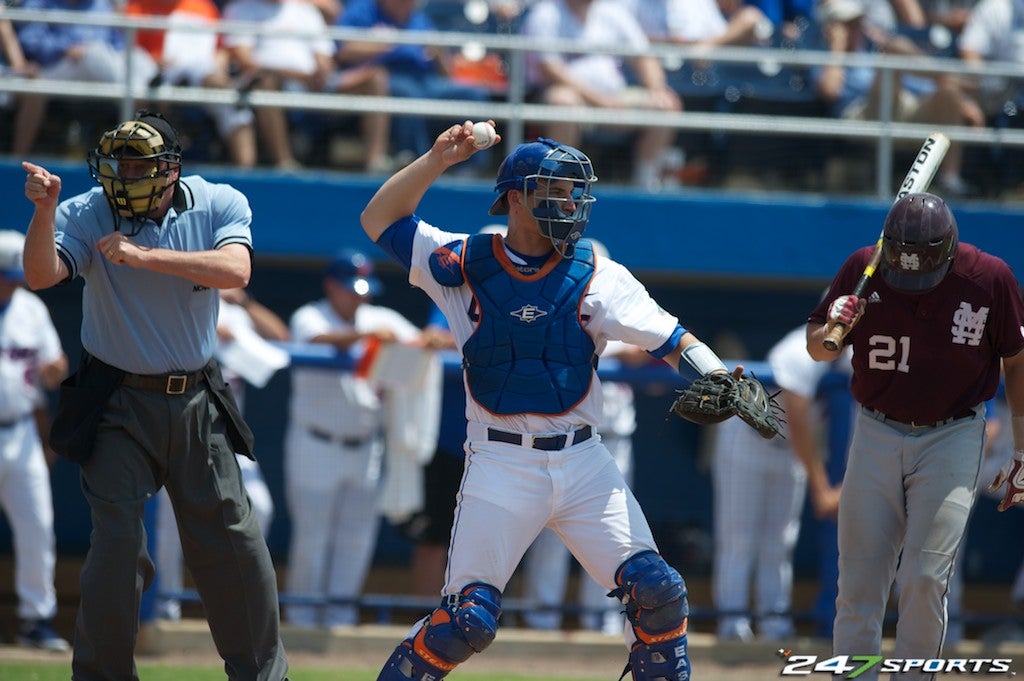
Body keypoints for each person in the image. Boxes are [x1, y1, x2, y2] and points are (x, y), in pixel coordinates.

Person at [360, 121, 762, 681]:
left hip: (583, 460)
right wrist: (435, 161)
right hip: (500, 462)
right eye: (555, 190)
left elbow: (673, 338)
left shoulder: (598, 272)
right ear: (516, 199)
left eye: (576, 191)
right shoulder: (464, 261)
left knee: (660, 593)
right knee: (466, 622)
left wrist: (719, 376)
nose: (570, 203)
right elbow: (378, 220)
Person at [20, 110, 290, 681]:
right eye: (120, 163)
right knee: (117, 549)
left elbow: (235, 270)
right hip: (115, 397)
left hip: (196, 398)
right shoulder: (87, 209)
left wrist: (147, 258)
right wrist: (43, 213)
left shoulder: (220, 202)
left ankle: (263, 675)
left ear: (171, 171)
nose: (126, 175)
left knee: (236, 543)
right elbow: (42, 275)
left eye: (141, 164)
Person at [806, 191, 1024, 678]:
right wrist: (835, 323)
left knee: (925, 578)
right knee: (859, 583)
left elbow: (1016, 360)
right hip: (876, 428)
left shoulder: (990, 278)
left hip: (953, 432)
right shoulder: (865, 266)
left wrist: (1023, 447)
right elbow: (818, 349)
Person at [283, 249, 423, 628]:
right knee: (313, 539)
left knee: (357, 538)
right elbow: (317, 338)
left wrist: (422, 340)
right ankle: (301, 618)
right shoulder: (310, 315)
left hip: (365, 445)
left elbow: (422, 342)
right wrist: (367, 335)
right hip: (316, 443)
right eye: (351, 289)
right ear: (332, 285)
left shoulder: (380, 317)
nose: (359, 297)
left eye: (363, 290)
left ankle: (340, 617)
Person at [153, 286, 288, 621]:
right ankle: (163, 609)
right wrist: (205, 330)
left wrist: (243, 300)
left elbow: (281, 336)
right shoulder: (176, 299)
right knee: (168, 525)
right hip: (180, 430)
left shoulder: (236, 311)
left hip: (226, 437)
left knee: (261, 509)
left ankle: (238, 606)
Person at [711, 322, 851, 642]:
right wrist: (821, 487)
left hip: (792, 450)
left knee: (781, 540)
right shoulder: (801, 346)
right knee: (739, 538)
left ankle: (775, 626)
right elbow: (797, 414)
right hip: (749, 439)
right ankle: (732, 627)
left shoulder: (861, 350)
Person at [520, 336, 647, 636]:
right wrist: (624, 351)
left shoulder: (628, 324)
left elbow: (653, 372)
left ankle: (603, 619)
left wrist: (638, 351)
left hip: (618, 441)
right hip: (573, 441)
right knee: (553, 536)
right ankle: (542, 619)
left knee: (613, 534)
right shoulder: (574, 323)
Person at [810, 0, 984, 196]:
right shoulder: (824, 56)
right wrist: (837, 46)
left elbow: (916, 86)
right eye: (847, 25)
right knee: (893, 49)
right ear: (831, 28)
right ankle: (947, 75)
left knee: (948, 92)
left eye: (857, 23)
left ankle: (950, 179)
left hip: (898, 106)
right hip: (860, 114)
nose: (855, 29)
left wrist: (961, 102)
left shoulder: (871, 52)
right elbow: (830, 91)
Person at [520, 0, 683, 191]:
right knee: (562, 101)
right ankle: (560, 184)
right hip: (566, 97)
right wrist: (599, 100)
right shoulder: (545, 13)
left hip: (614, 98)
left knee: (666, 104)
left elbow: (643, 56)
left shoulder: (613, 12)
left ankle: (646, 185)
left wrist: (657, 88)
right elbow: (549, 68)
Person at [0, 229, 70, 651]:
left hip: (22, 428)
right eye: (6, 274)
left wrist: (56, 371)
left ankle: (36, 619)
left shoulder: (31, 308)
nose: (12, 281)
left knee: (38, 525)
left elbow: (53, 365)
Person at [222, 0, 392, 171]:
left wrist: (321, 72)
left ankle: (375, 162)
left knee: (375, 79)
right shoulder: (239, 10)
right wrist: (297, 76)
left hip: (314, 84)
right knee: (265, 82)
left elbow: (324, 57)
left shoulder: (306, 12)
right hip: (272, 83)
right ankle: (285, 164)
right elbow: (246, 63)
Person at [334, 0, 491, 167]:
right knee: (409, 94)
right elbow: (343, 49)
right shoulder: (363, 9)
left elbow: (447, 73)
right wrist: (386, 44)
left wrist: (439, 54)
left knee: (473, 94)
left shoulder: (419, 19)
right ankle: (418, 163)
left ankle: (471, 167)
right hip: (387, 74)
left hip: (426, 80)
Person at [123, 0, 259, 167]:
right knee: (217, 84)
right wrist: (156, 60)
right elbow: (130, 51)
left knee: (236, 109)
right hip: (158, 75)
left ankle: (247, 173)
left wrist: (218, 63)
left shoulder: (204, 7)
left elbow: (220, 49)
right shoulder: (138, 6)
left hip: (203, 78)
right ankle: (232, 86)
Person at [12, 0, 129, 157]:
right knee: (36, 88)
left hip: (101, 72)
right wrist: (64, 48)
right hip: (56, 67)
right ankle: (17, 160)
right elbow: (30, 39)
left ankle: (133, 155)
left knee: (113, 63)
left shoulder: (100, 4)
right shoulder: (38, 2)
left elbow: (117, 44)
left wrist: (87, 52)